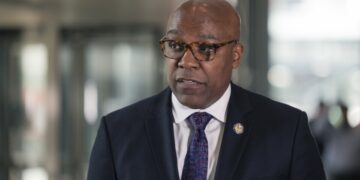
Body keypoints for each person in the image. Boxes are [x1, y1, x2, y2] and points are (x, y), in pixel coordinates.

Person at [87, 0, 326, 179]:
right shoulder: (118, 132)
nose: (186, 61)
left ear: (235, 56)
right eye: (175, 45)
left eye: (205, 48)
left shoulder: (286, 130)